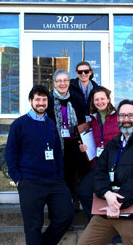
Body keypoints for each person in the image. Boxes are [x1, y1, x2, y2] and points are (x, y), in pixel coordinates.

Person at [77, 100, 133, 245]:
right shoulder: (113, 144)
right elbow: (99, 172)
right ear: (118, 118)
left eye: (130, 115)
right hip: (106, 212)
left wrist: (117, 203)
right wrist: (107, 194)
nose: (126, 120)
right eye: (122, 116)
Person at [5, 85, 74, 245]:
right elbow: (10, 153)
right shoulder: (19, 124)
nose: (41, 103)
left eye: (44, 99)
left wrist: (60, 175)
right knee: (33, 226)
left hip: (54, 181)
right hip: (30, 182)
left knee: (66, 216)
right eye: (37, 99)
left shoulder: (50, 124)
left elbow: (57, 151)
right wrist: (17, 179)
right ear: (31, 101)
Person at [47, 69, 88, 210]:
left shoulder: (76, 99)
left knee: (73, 177)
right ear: (54, 83)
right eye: (59, 81)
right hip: (56, 145)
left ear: (69, 82)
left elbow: (83, 122)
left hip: (74, 144)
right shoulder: (48, 100)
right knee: (59, 178)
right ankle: (60, 211)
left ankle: (74, 207)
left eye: (65, 80)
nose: (62, 83)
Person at [77, 86, 119, 220]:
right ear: (93, 102)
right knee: (84, 192)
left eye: (102, 98)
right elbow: (93, 142)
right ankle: (98, 225)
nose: (99, 102)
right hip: (98, 165)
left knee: (114, 196)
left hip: (117, 165)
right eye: (96, 99)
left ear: (108, 99)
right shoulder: (92, 120)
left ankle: (115, 232)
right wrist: (85, 148)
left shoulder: (119, 117)